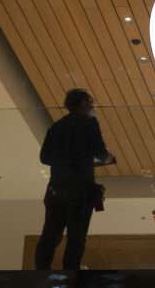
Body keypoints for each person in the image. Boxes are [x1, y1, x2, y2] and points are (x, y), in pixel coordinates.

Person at [35, 88, 116, 270]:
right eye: (89, 102)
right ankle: (71, 273)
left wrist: (65, 161)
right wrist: (107, 158)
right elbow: (100, 151)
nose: (92, 105)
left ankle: (40, 271)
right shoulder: (89, 123)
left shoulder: (56, 126)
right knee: (77, 236)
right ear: (82, 103)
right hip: (81, 189)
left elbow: (44, 158)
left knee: (50, 233)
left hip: (56, 187)